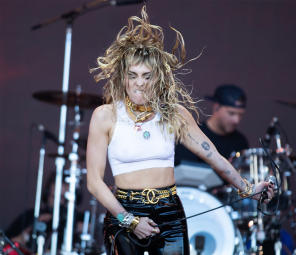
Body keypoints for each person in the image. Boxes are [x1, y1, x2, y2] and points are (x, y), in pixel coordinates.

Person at [85, 7, 274, 254]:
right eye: (132, 75)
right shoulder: (105, 116)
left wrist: (249, 189)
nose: (139, 83)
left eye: (146, 76)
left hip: (169, 210)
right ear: (123, 77)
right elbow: (94, 183)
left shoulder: (174, 114)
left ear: (158, 78)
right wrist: (129, 219)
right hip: (125, 211)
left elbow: (213, 156)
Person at [174, 84, 250, 165]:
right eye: (231, 113)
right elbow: (185, 172)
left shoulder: (240, 141)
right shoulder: (194, 135)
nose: (236, 120)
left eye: (240, 115)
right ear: (216, 107)